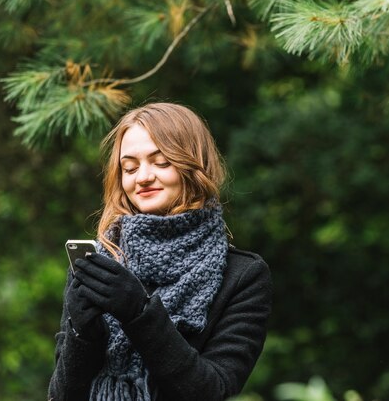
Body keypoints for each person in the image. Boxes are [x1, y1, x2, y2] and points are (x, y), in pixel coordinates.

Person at [48, 103, 272, 401]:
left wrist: (139, 312)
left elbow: (212, 390)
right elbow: (60, 396)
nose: (142, 177)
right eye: (129, 167)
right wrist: (83, 333)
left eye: (161, 162)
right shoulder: (99, 265)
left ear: (194, 166)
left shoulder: (243, 276)